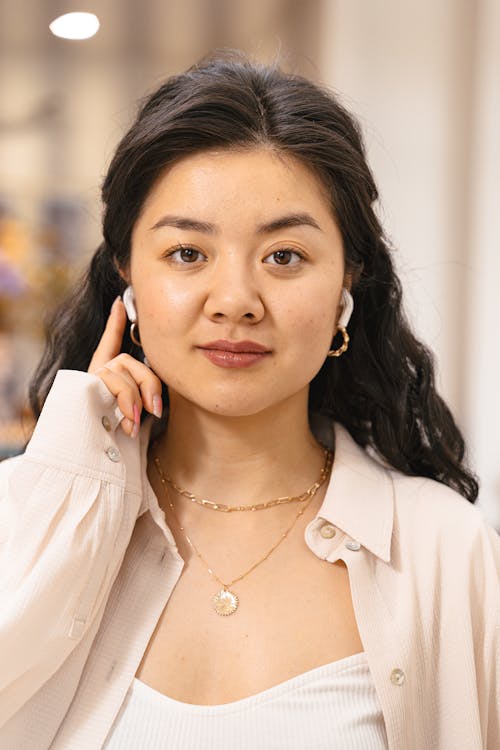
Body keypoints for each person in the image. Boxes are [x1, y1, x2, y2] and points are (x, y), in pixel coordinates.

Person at [0, 50, 498, 750]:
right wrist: (66, 486)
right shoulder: (22, 515)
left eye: (285, 257)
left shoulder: (447, 552)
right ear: (127, 274)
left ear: (346, 285)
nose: (235, 301)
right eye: (187, 254)